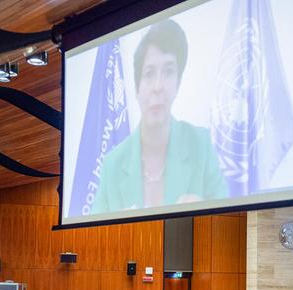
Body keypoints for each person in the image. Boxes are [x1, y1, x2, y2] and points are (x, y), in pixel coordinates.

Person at [92, 19, 227, 213]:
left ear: (178, 83)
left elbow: (228, 214)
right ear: (137, 87)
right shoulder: (112, 165)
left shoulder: (200, 145)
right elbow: (92, 234)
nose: (158, 86)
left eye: (169, 71)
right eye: (149, 73)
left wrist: (204, 210)